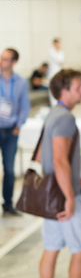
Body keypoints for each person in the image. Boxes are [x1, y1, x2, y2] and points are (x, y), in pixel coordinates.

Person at [39, 69, 81, 278]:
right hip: (64, 195)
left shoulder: (52, 114)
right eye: (78, 87)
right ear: (64, 90)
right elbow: (59, 159)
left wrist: (72, 176)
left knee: (50, 249)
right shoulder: (66, 118)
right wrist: (70, 196)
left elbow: (43, 156)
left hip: (50, 193)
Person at [0, 48, 30, 217]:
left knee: (9, 170)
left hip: (10, 131)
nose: (1, 61)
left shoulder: (20, 82)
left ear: (13, 62)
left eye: (5, 59)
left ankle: (8, 204)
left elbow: (25, 106)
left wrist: (19, 125)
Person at [48, 39, 65, 106]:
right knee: (53, 89)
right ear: (54, 44)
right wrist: (59, 50)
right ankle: (54, 105)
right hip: (53, 73)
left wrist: (59, 50)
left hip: (58, 73)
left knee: (59, 88)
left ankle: (59, 103)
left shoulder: (60, 51)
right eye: (57, 43)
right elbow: (60, 60)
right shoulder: (51, 51)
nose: (59, 45)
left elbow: (62, 60)